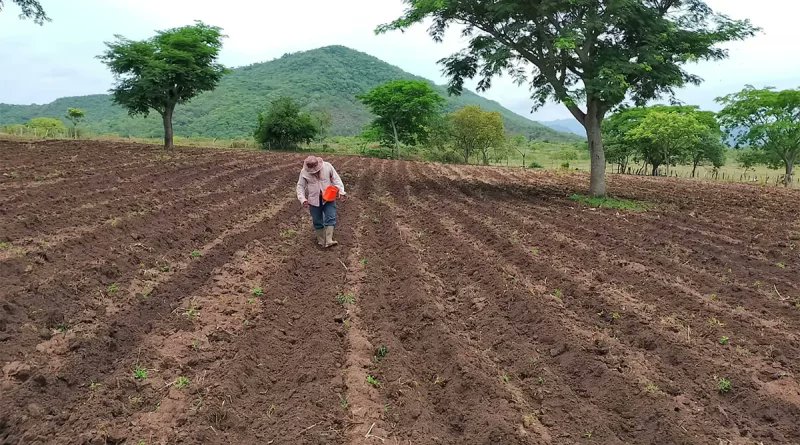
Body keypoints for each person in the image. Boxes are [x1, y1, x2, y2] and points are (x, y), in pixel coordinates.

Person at [296, 156, 346, 248]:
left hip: (328, 197)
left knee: (331, 217)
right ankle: (321, 240)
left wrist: (341, 191)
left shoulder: (327, 166)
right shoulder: (304, 172)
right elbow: (300, 186)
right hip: (314, 199)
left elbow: (336, 179)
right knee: (317, 220)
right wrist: (302, 199)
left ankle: (329, 240)